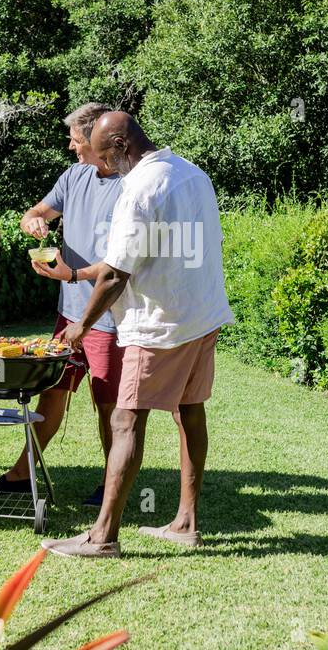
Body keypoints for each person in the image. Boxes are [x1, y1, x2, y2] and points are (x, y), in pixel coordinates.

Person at [0, 103, 189, 507]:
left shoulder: (132, 184)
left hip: (109, 316)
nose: (72, 148)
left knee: (108, 403)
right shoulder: (75, 176)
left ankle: (114, 485)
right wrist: (35, 220)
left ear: (97, 140)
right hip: (69, 313)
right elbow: (36, 211)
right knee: (52, 392)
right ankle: (21, 475)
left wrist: (74, 276)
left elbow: (121, 266)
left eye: (77, 141)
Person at [40, 111, 233, 557]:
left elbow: (114, 275)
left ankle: (102, 535)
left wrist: (81, 326)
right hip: (202, 314)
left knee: (125, 420)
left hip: (159, 322)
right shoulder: (192, 173)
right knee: (190, 412)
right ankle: (186, 521)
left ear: (123, 146)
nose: (105, 167)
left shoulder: (139, 188)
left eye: (107, 157)